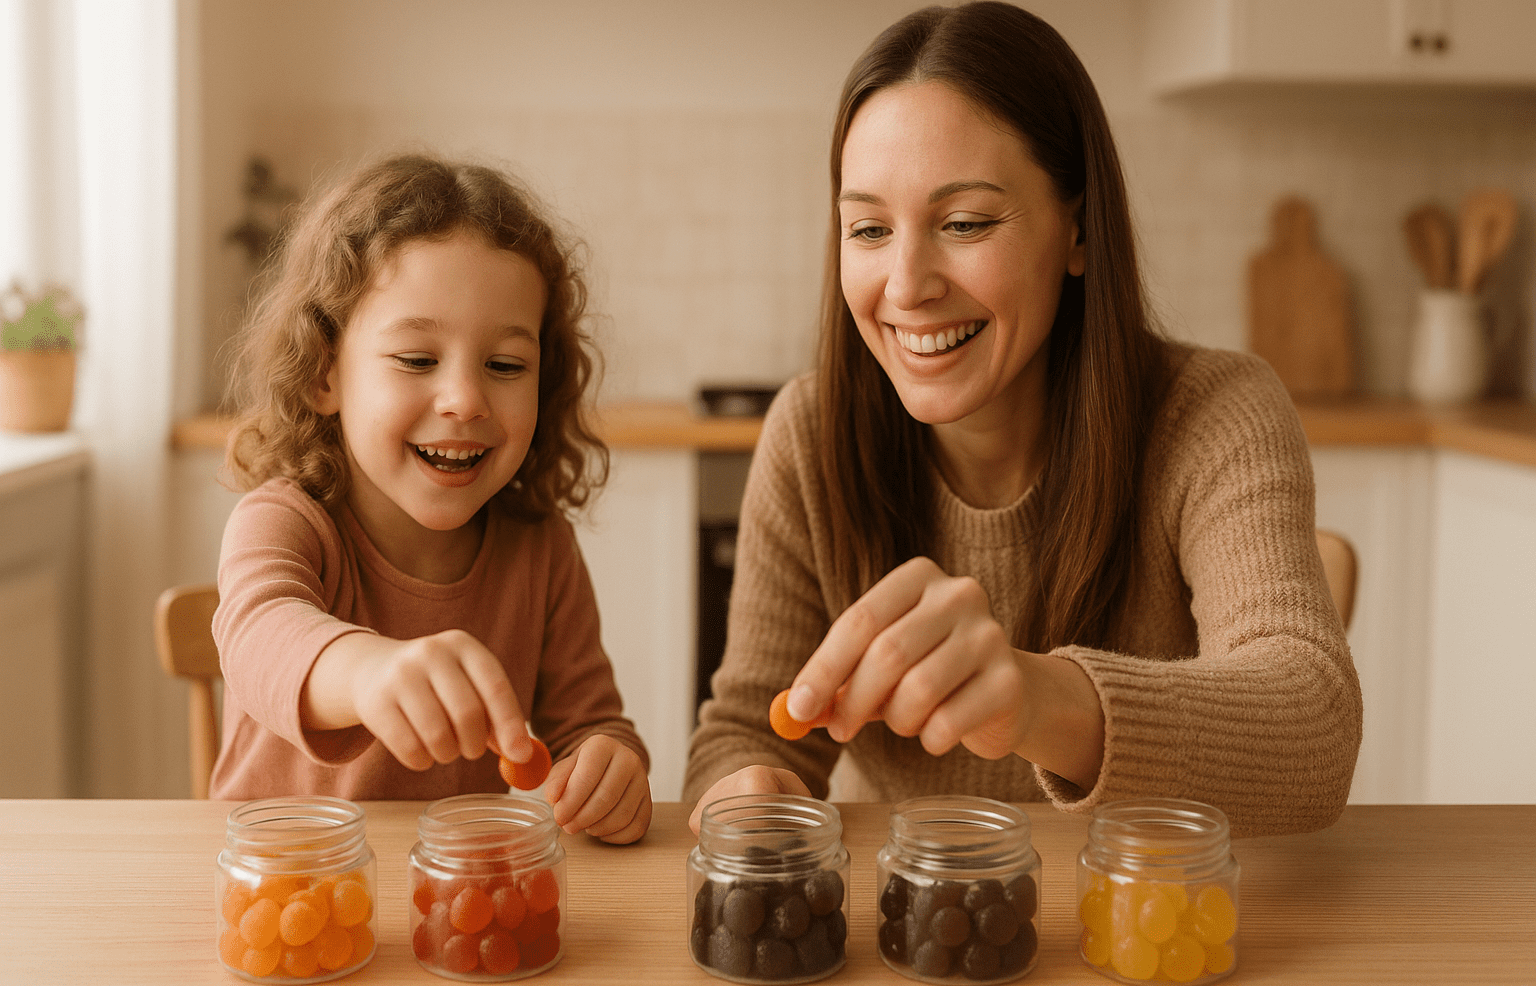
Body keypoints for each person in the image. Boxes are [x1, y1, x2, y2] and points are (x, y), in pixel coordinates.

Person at [684, 2, 1361, 839]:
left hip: (1137, 924)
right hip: (908, 925)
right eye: (868, 228)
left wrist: (1039, 699)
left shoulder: (1217, 415)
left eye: (965, 223)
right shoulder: (810, 431)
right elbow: (748, 728)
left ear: (1077, 229)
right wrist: (746, 788)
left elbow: (1314, 731)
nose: (905, 285)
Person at [212, 154, 652, 844]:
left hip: (450, 899)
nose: (465, 400)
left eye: (505, 366)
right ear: (327, 372)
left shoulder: (540, 546)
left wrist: (608, 767)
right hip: (286, 895)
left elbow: (590, 726)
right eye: (417, 360)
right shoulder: (283, 520)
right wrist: (368, 670)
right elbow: (258, 639)